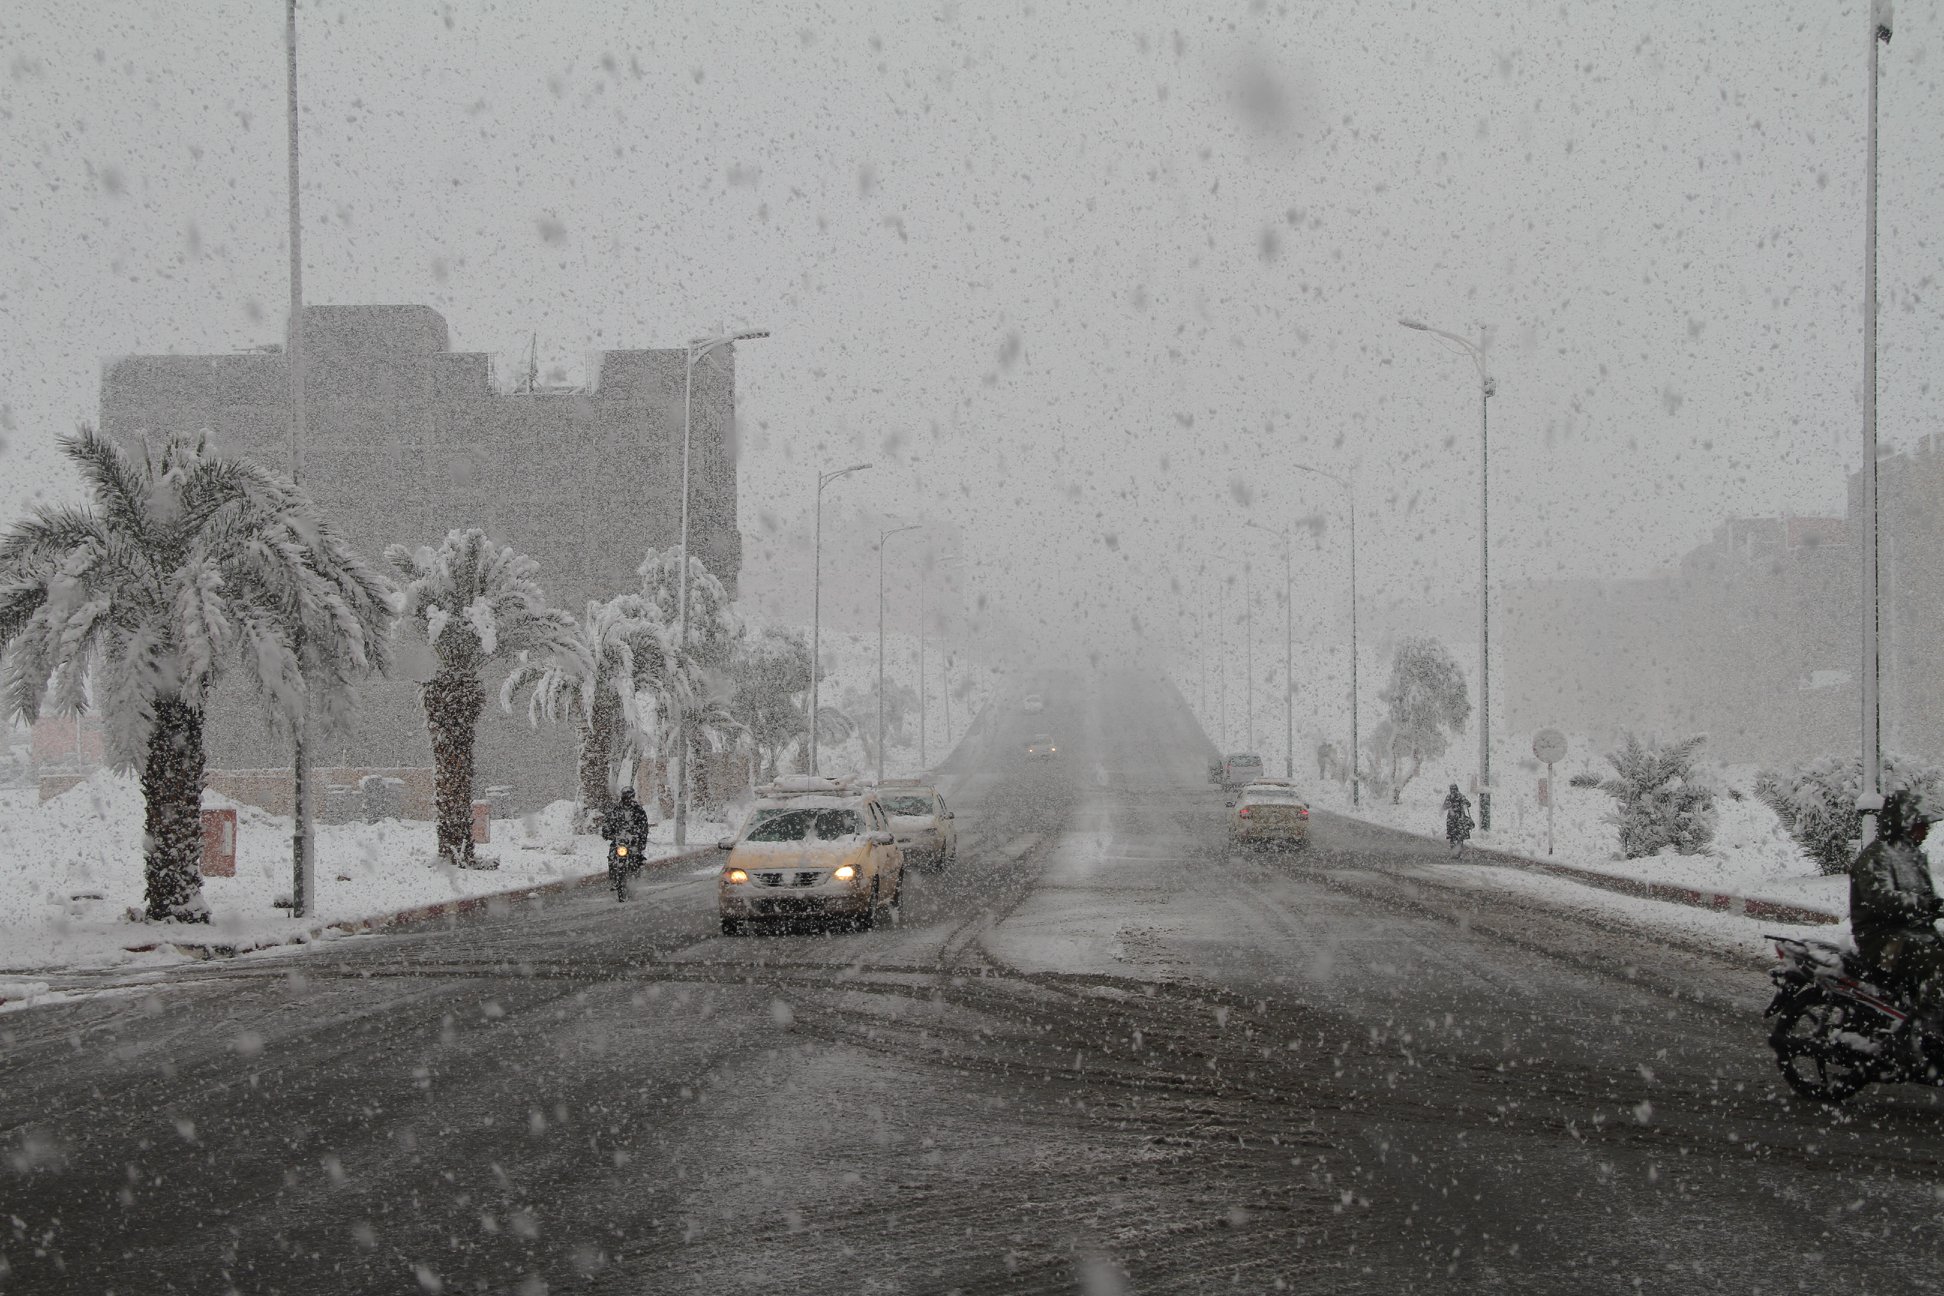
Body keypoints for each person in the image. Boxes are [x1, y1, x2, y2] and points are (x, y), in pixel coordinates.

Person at [1850, 789, 1943, 1037]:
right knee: (1938, 963)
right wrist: (1922, 904)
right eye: (1921, 825)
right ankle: (1927, 1026)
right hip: (1881, 940)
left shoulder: (1912, 857)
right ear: (1904, 823)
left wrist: (1935, 905)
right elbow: (1881, 900)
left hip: (1912, 934)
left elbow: (1926, 899)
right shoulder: (1877, 856)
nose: (1926, 832)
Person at [601, 788, 650, 855]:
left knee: (637, 855)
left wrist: (640, 836)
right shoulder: (616, 809)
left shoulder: (638, 810)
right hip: (619, 838)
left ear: (633, 797)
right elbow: (609, 821)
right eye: (625, 797)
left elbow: (644, 825)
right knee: (612, 852)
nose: (627, 800)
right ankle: (613, 863)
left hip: (633, 839)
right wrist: (607, 831)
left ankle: (638, 862)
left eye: (629, 797)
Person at [1442, 783, 1474, 857]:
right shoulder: (1461, 796)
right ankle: (1458, 852)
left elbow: (1444, 807)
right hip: (1460, 819)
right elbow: (1469, 804)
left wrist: (1449, 806)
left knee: (1452, 836)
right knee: (1460, 836)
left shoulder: (1449, 797)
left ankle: (1454, 852)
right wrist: (1463, 804)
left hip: (1451, 820)